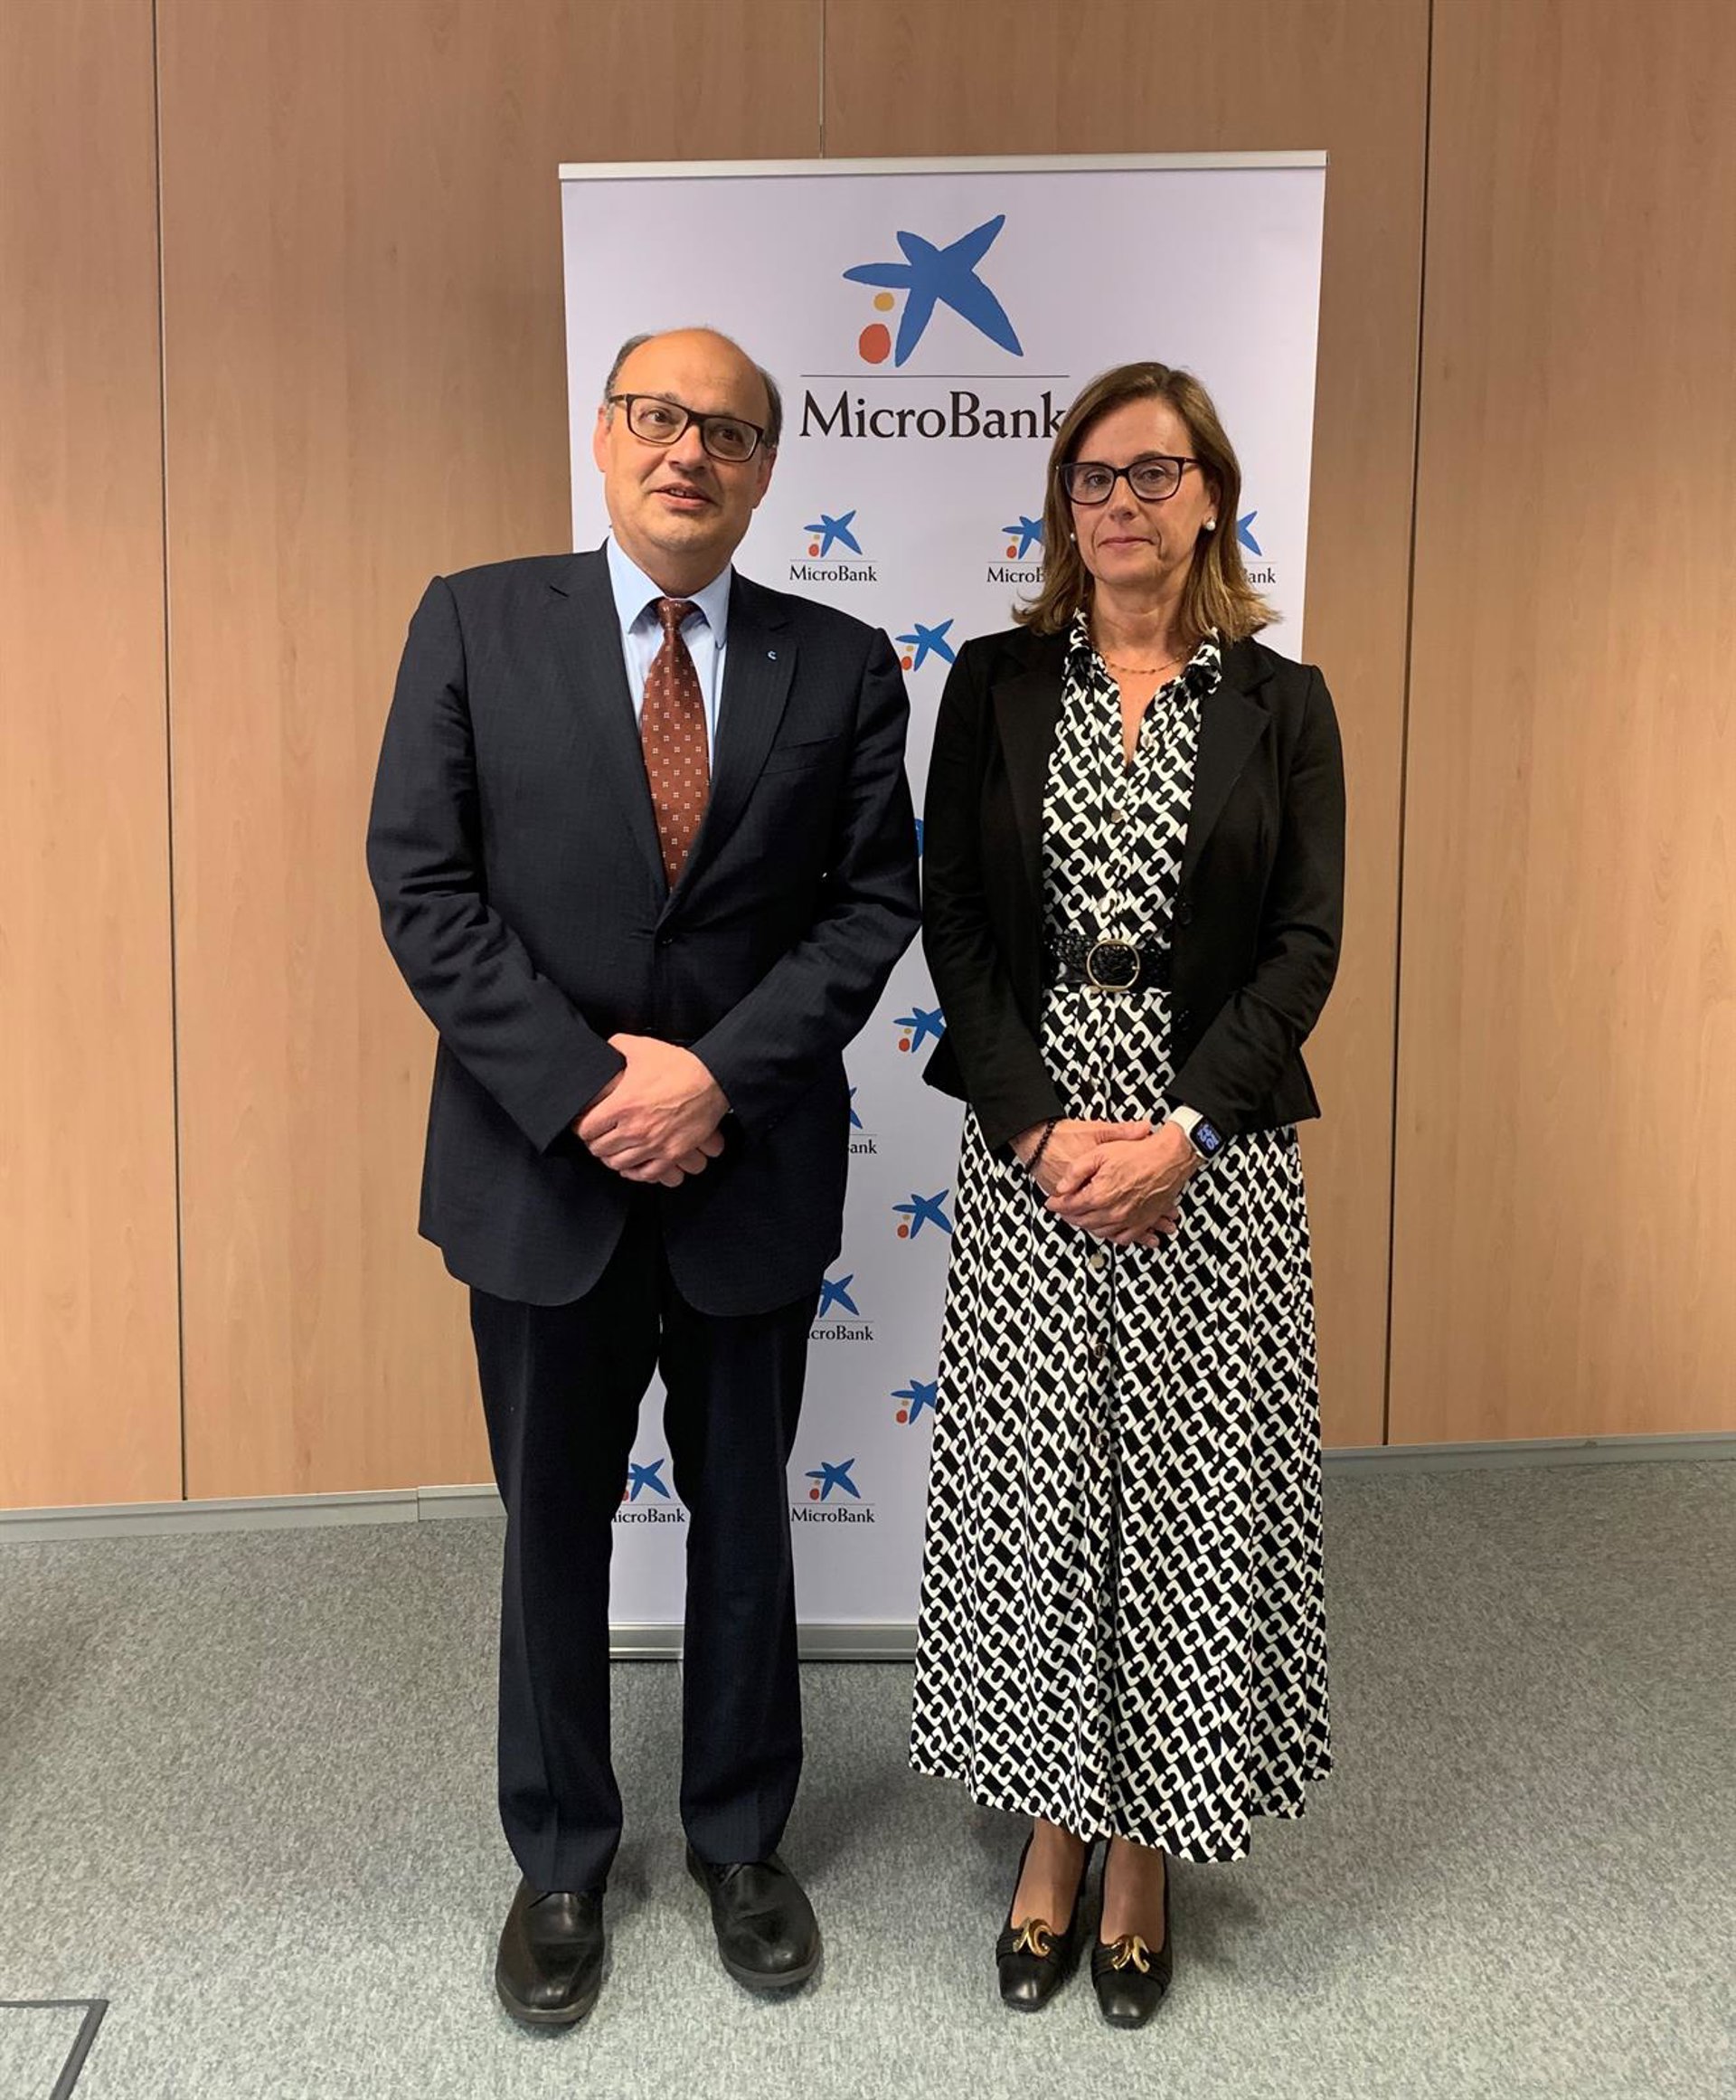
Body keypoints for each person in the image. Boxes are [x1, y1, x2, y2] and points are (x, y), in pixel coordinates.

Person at [367, 327, 920, 2027]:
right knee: (553, 1523)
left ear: (765, 473)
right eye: (659, 417)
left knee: (745, 1519)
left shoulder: (840, 663)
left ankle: (743, 1841)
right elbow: (423, 884)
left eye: (729, 432)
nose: (691, 450)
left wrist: (714, 1078)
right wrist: (593, 1087)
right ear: (605, 437)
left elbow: (870, 907)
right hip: (542, 1173)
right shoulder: (474, 622)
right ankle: (559, 1857)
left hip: (747, 1169)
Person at [910, 360, 1344, 2027]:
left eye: (1153, 473)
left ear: (1210, 496)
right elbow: (953, 918)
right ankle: (1051, 1829)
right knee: (1041, 1495)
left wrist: (1183, 1134)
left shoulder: (1285, 703)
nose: (1119, 504)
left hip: (1206, 1153)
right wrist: (1036, 1130)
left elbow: (1303, 943)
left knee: (1183, 1501)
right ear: (1064, 507)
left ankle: (1148, 1848)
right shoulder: (995, 682)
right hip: (1034, 1141)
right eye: (1091, 478)